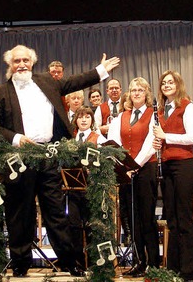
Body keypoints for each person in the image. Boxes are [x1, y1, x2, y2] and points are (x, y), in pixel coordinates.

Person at [0, 44, 119, 277]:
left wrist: (100, 71)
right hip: (19, 159)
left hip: (49, 155)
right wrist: (16, 138)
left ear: (32, 62)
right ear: (9, 64)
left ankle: (69, 261)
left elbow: (75, 82)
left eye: (25, 60)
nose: (22, 65)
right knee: (20, 213)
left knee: (56, 211)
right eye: (17, 61)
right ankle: (20, 263)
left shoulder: (47, 81)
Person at [108, 77, 158, 277]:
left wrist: (135, 165)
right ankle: (139, 261)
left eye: (140, 90)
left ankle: (153, 263)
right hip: (126, 171)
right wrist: (124, 165)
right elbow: (114, 140)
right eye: (133, 90)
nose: (136, 93)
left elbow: (150, 142)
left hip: (146, 169)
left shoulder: (153, 114)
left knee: (147, 217)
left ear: (146, 93)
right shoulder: (122, 116)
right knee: (133, 218)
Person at [151, 70, 193, 281]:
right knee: (171, 217)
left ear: (178, 85)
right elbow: (162, 138)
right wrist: (157, 142)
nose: (166, 85)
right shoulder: (160, 111)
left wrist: (165, 136)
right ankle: (173, 269)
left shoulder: (187, 106)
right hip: (167, 166)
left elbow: (192, 138)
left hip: (184, 165)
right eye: (163, 83)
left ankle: (188, 270)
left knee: (184, 216)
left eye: (170, 82)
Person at [67, 106, 107, 268]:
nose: (84, 120)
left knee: (91, 225)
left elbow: (106, 161)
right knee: (74, 225)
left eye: (87, 117)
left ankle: (92, 263)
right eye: (80, 117)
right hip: (73, 189)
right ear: (75, 120)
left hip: (92, 189)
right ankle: (77, 262)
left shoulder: (99, 139)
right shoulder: (71, 140)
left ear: (92, 120)